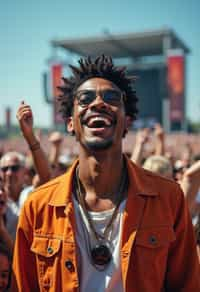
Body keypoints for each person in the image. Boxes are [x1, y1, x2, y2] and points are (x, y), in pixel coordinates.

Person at [12, 55, 200, 291]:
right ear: (71, 123)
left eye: (111, 98)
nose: (98, 103)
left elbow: (187, 285)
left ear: (127, 122)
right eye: (85, 98)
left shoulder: (168, 198)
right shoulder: (38, 207)